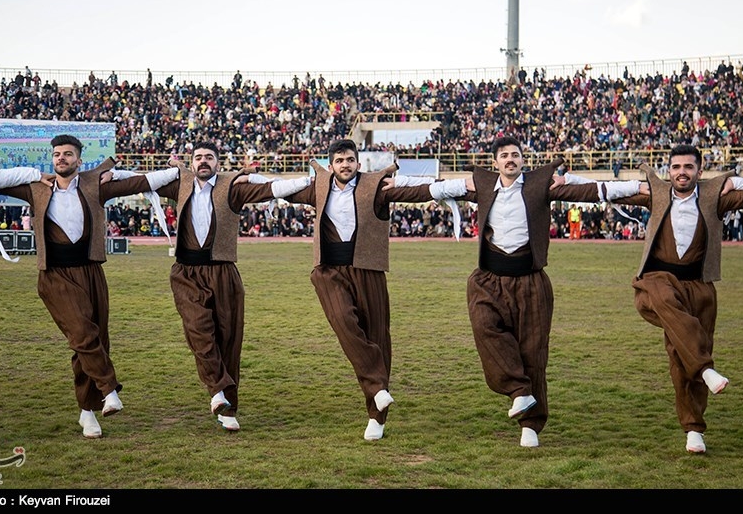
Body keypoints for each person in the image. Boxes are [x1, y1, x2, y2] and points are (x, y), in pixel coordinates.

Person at [456, 136, 645, 448]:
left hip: (531, 282)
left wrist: (638, 187)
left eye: (515, 154)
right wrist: (390, 187)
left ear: (522, 159)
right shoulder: (482, 184)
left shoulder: (538, 184)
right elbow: (435, 189)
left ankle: (530, 425)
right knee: (485, 327)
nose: (510, 160)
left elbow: (590, 192)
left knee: (533, 354)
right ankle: (519, 390)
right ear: (495, 162)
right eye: (504, 155)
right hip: (488, 279)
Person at [0, 134, 179, 439]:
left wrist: (175, 170)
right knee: (82, 333)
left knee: (93, 340)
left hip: (91, 273)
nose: (61, 158)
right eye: (56, 154)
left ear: (79, 159)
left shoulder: (95, 186)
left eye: (67, 154)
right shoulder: (35, 188)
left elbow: (142, 182)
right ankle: (109, 389)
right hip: (55, 276)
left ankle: (87, 412)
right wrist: (28, 174)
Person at [282, 138, 469, 441]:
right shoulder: (317, 189)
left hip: (369, 271)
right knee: (343, 321)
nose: (345, 165)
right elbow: (278, 190)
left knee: (378, 338)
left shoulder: (375, 187)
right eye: (339, 160)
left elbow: (415, 192)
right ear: (331, 165)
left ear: (358, 163)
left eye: (350, 160)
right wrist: (237, 180)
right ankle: (378, 387)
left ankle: (377, 412)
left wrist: (456, 188)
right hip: (330, 271)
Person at [612, 144, 743, 454]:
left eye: (688, 167)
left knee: (684, 357)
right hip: (658, 281)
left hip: (698, 286)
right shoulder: (656, 196)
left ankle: (694, 429)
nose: (682, 172)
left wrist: (736, 181)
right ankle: (707, 369)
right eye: (676, 167)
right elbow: (606, 191)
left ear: (699, 170)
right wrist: (564, 181)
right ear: (668, 171)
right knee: (659, 296)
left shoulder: (714, 200)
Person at [155, 141, 310, 432]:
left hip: (224, 273)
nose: (203, 162)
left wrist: (308, 182)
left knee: (229, 341)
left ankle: (228, 409)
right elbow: (143, 182)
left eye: (209, 158)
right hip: (186, 272)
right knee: (198, 330)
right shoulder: (180, 186)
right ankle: (218, 388)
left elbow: (270, 190)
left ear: (218, 163)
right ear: (191, 162)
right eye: (198, 157)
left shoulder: (232, 187)